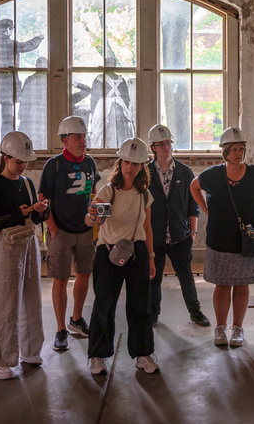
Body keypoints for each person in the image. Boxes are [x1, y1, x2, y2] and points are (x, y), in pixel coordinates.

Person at [189, 127, 254, 348]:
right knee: (222, 285)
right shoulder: (213, 174)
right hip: (220, 238)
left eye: (242, 149)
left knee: (242, 285)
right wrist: (206, 210)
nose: (239, 153)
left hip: (247, 239)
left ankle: (237, 329)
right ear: (225, 152)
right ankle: (220, 329)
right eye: (234, 149)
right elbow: (194, 186)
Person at [0, 131, 50, 380]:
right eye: (18, 161)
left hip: (28, 241)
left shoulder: (27, 183)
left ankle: (31, 350)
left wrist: (41, 211)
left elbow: (35, 217)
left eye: (25, 161)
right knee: (6, 301)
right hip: (7, 245)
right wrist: (17, 215)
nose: (23, 165)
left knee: (32, 298)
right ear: (5, 157)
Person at [86, 137, 159, 376]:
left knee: (141, 306)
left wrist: (151, 256)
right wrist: (92, 216)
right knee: (104, 305)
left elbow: (148, 228)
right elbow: (90, 219)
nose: (130, 167)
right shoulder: (108, 191)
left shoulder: (143, 194)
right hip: (108, 251)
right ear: (120, 163)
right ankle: (97, 356)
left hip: (136, 252)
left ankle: (143, 354)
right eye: (126, 162)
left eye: (135, 164)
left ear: (141, 167)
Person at [38, 115, 101, 352]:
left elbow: (94, 192)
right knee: (60, 280)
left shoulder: (90, 163)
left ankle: (76, 320)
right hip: (60, 231)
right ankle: (60, 329)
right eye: (78, 137)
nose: (83, 141)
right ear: (65, 140)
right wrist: (52, 228)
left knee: (84, 275)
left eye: (84, 136)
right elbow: (43, 198)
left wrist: (95, 220)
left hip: (85, 231)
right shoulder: (53, 165)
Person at [147, 124, 210, 327]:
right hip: (154, 236)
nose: (166, 147)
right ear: (153, 147)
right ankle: (152, 314)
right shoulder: (146, 173)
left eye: (168, 143)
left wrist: (192, 231)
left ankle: (195, 312)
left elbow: (194, 205)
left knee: (186, 276)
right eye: (161, 144)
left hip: (180, 235)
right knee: (153, 278)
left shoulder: (184, 172)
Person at [0, 18, 45, 140]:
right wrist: (39, 37)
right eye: (12, 28)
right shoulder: (11, 44)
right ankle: (6, 141)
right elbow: (28, 46)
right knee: (7, 119)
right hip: (8, 87)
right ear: (8, 29)